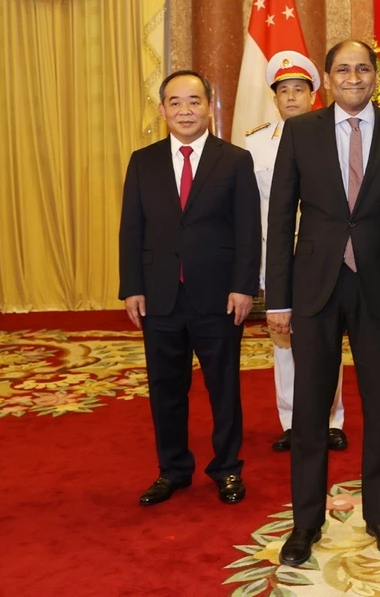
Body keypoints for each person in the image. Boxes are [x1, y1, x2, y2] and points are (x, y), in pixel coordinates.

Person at [267, 40, 380, 566]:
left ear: (375, 76)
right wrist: (278, 297)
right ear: (328, 79)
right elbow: (280, 218)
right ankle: (306, 523)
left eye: (363, 68)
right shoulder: (301, 131)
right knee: (311, 410)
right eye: (343, 69)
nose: (354, 76)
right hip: (315, 286)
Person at [119, 70, 260, 507]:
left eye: (193, 101)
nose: (185, 110)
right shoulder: (142, 161)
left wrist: (243, 286)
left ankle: (227, 468)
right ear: (161, 110)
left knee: (223, 387)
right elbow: (131, 229)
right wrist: (131, 287)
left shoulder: (234, 160)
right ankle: (174, 469)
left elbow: (248, 228)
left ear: (209, 107)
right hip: (159, 295)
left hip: (217, 296)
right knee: (165, 387)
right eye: (175, 102)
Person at [244, 51, 348, 455]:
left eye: (299, 90)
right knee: (282, 343)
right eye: (283, 91)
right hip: (279, 260)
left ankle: (331, 420)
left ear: (313, 96)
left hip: (325, 258)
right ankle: (291, 421)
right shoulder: (256, 143)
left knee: (328, 341)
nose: (291, 98)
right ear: (275, 98)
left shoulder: (332, 137)